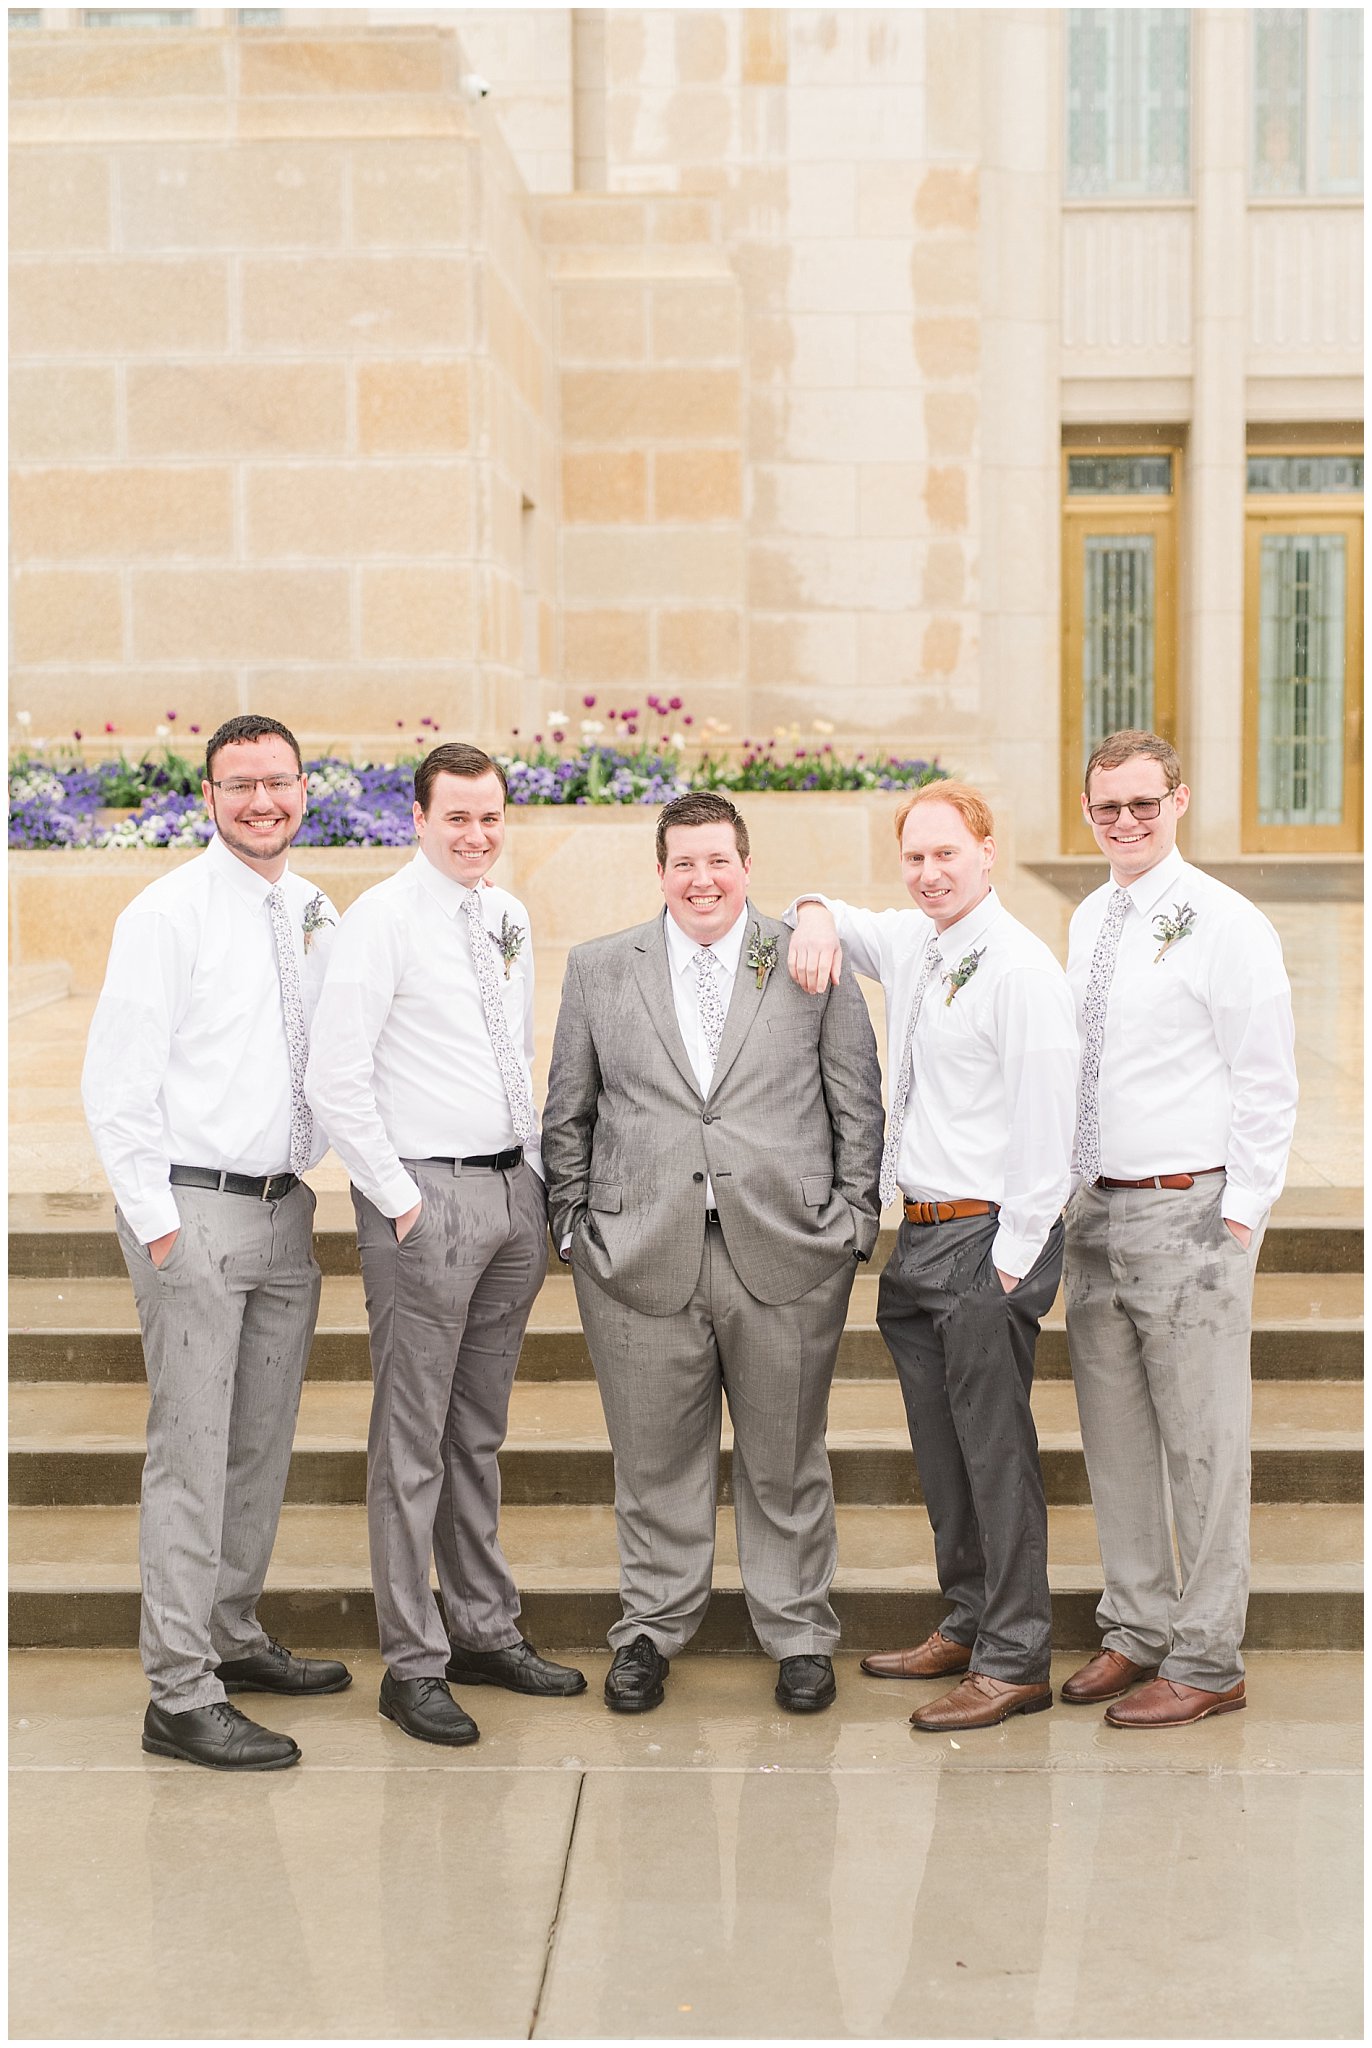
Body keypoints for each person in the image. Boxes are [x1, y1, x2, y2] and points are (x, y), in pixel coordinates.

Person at [542, 791, 884, 1715]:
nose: (702, 880)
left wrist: (854, 1220)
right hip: (640, 1256)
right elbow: (567, 1111)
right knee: (653, 1463)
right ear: (661, 872)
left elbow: (856, 1098)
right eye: (684, 863)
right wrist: (573, 1224)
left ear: (745, 866)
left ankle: (802, 1635)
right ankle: (649, 1631)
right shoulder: (601, 968)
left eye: (718, 862)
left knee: (787, 1460)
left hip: (787, 1254)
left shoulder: (804, 956)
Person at [82, 713, 351, 1772]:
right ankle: (179, 1691)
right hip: (192, 1213)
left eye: (277, 782)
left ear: (303, 787)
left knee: (257, 1444)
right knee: (190, 1458)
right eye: (238, 785)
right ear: (207, 796)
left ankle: (230, 1633)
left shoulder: (317, 909)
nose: (261, 802)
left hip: (287, 1211)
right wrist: (158, 1227)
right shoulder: (166, 913)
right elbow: (116, 1084)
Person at [304, 742, 584, 1748]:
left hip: (509, 1193)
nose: (474, 834)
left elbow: (516, 1053)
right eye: (455, 817)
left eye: (489, 818)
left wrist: (539, 1180)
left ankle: (480, 1626)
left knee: (476, 1431)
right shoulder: (379, 921)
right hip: (423, 1197)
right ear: (415, 817)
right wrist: (396, 1196)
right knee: (411, 1439)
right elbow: (334, 1077)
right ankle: (411, 1660)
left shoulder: (505, 917)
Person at [787, 782, 1078, 1731]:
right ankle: (967, 1617)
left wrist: (1015, 1257)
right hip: (918, 1234)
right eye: (914, 857)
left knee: (995, 1454)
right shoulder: (916, 939)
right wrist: (815, 914)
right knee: (941, 1453)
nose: (929, 872)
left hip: (988, 1237)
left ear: (987, 851)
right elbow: (829, 912)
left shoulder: (1020, 969)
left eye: (946, 854)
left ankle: (1015, 1657)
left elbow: (1051, 1123)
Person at [1060, 729, 1297, 1727]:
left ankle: (1206, 1657)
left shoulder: (1226, 922)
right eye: (1106, 806)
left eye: (1142, 804)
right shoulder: (1085, 918)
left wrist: (1236, 1216)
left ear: (1179, 800)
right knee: (1115, 1439)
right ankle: (1136, 1625)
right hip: (1095, 1211)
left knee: (1203, 1446)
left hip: (1188, 1210)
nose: (1124, 821)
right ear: (1086, 810)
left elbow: (1266, 1080)